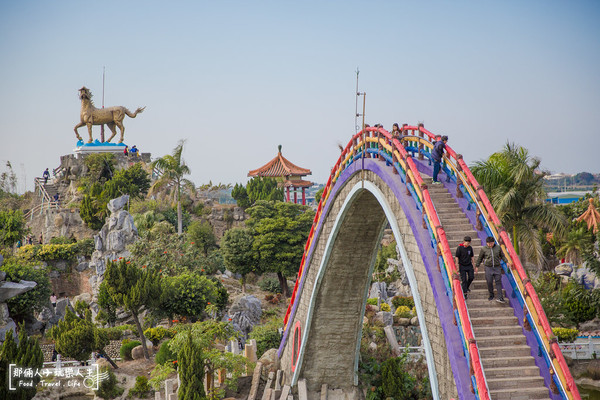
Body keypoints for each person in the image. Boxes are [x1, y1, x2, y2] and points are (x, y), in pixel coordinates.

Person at [475, 236, 512, 303]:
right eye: (488, 244)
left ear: (494, 242)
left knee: (498, 282)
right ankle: (491, 295)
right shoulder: (483, 249)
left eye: (491, 243)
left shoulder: (498, 248)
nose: (490, 245)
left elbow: (502, 255)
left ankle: (500, 297)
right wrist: (477, 266)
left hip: (497, 267)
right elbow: (480, 258)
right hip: (488, 267)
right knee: (489, 281)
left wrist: (506, 262)